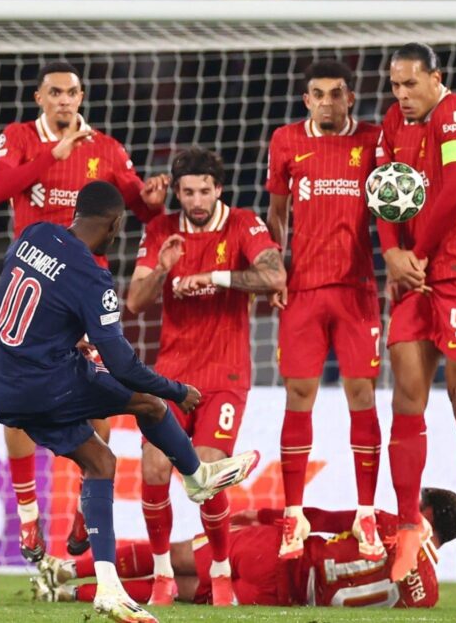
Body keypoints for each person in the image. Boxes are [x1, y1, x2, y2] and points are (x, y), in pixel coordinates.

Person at [0, 180, 260, 623]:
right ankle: (197, 476)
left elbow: (8, 306)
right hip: (45, 382)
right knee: (150, 402)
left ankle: (109, 589)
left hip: (1, 381)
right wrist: (177, 390)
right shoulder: (92, 277)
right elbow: (125, 366)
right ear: (114, 225)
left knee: (100, 462)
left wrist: (58, 338)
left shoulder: (34, 234)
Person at [0, 61, 170, 560]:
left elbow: (134, 207)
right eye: (55, 93)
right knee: (17, 406)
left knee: (101, 401)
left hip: (85, 300)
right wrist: (52, 154)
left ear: (81, 97)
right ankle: (28, 517)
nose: (64, 100)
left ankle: (87, 509)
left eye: (71, 93)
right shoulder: (19, 138)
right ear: (39, 98)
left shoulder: (106, 148)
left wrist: (151, 201)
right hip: (35, 297)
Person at [126, 146, 285, 606]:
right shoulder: (161, 230)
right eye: (188, 192)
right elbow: (135, 300)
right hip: (171, 376)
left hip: (224, 375)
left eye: (204, 191)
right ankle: (162, 575)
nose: (196, 201)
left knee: (208, 475)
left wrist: (215, 277)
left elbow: (275, 276)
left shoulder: (243, 224)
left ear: (219, 189)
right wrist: (162, 269)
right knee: (154, 467)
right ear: (177, 192)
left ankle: (220, 571)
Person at [375, 43, 456, 588]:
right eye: (395, 85)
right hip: (413, 273)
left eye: (410, 84)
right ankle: (408, 524)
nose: (402, 95)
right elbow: (382, 193)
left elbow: (452, 193)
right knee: (406, 395)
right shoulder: (392, 122)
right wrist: (391, 254)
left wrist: (417, 253)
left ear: (435, 78)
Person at [264, 59, 385, 562]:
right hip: (304, 290)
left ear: (350, 98)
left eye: (337, 93)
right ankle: (294, 514)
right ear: (306, 100)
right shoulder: (286, 141)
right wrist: (275, 265)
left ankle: (366, 513)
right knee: (299, 395)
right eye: (318, 94)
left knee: (362, 394)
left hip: (358, 289)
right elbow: (276, 212)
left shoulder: (374, 141)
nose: (328, 102)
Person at [35, 488, 456, 610]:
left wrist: (261, 515)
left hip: (280, 553)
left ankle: (69, 570)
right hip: (283, 597)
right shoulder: (427, 597)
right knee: (179, 591)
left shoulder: (394, 526)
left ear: (427, 511)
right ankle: (67, 595)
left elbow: (321, 519)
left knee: (173, 558)